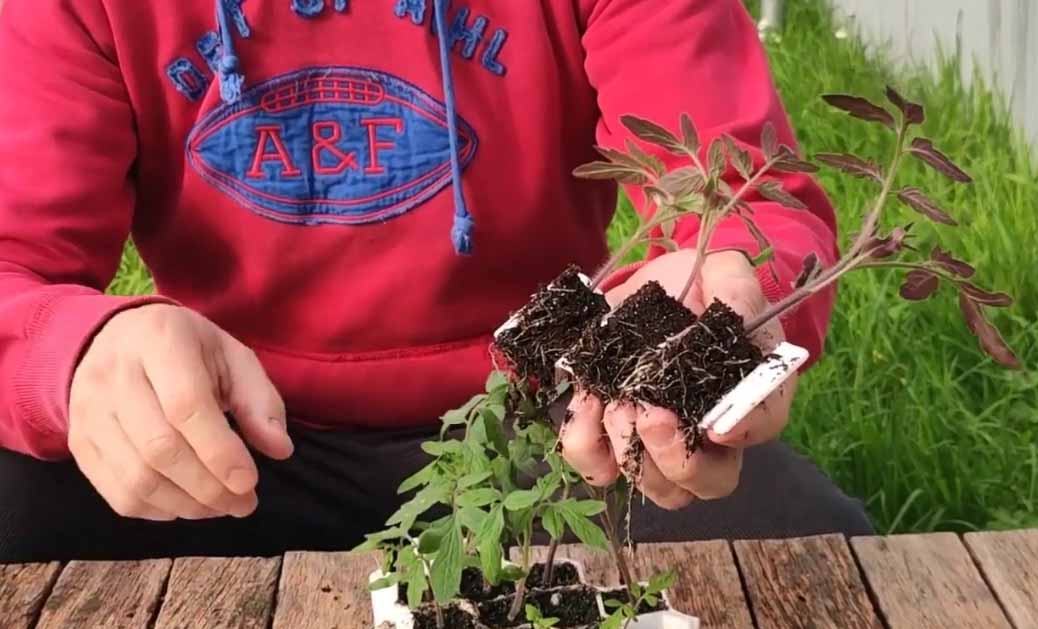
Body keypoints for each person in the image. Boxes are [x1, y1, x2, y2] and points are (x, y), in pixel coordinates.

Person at [0, 0, 873, 563]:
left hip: (562, 422)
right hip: (223, 437)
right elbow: (13, 265)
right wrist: (77, 356)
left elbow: (746, 194)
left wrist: (722, 278)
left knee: (817, 564)